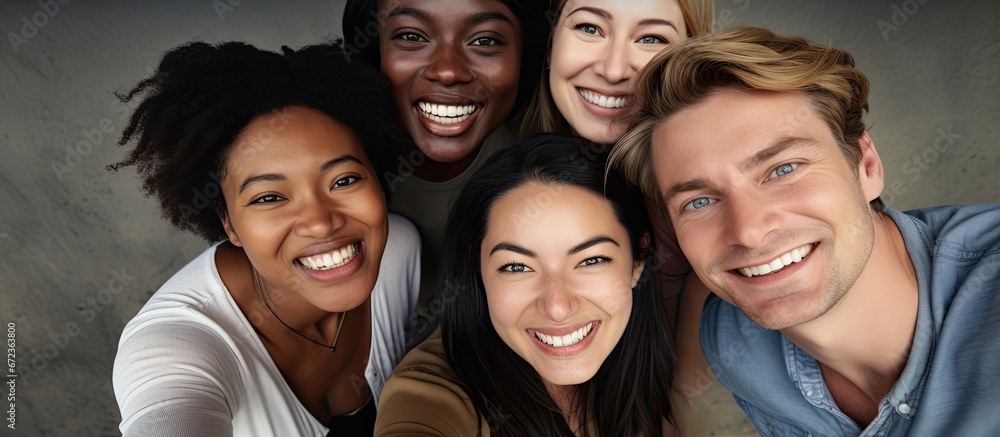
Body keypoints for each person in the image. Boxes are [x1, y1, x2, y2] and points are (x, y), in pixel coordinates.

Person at [610, 25, 1000, 435]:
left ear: (866, 166)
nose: (749, 231)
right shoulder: (735, 343)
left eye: (783, 169)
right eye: (699, 201)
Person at [110, 41, 421, 436]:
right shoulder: (175, 343)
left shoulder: (399, 252)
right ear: (228, 224)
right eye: (269, 197)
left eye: (343, 180)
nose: (321, 224)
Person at [374, 134, 676, 435]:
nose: (557, 308)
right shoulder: (432, 389)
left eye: (591, 261)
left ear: (639, 259)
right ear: (476, 269)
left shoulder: (641, 365)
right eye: (517, 267)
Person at [342, 0, 550, 324]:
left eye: (485, 40)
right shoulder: (330, 159)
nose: (448, 71)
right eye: (412, 36)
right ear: (374, 51)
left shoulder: (549, 178)